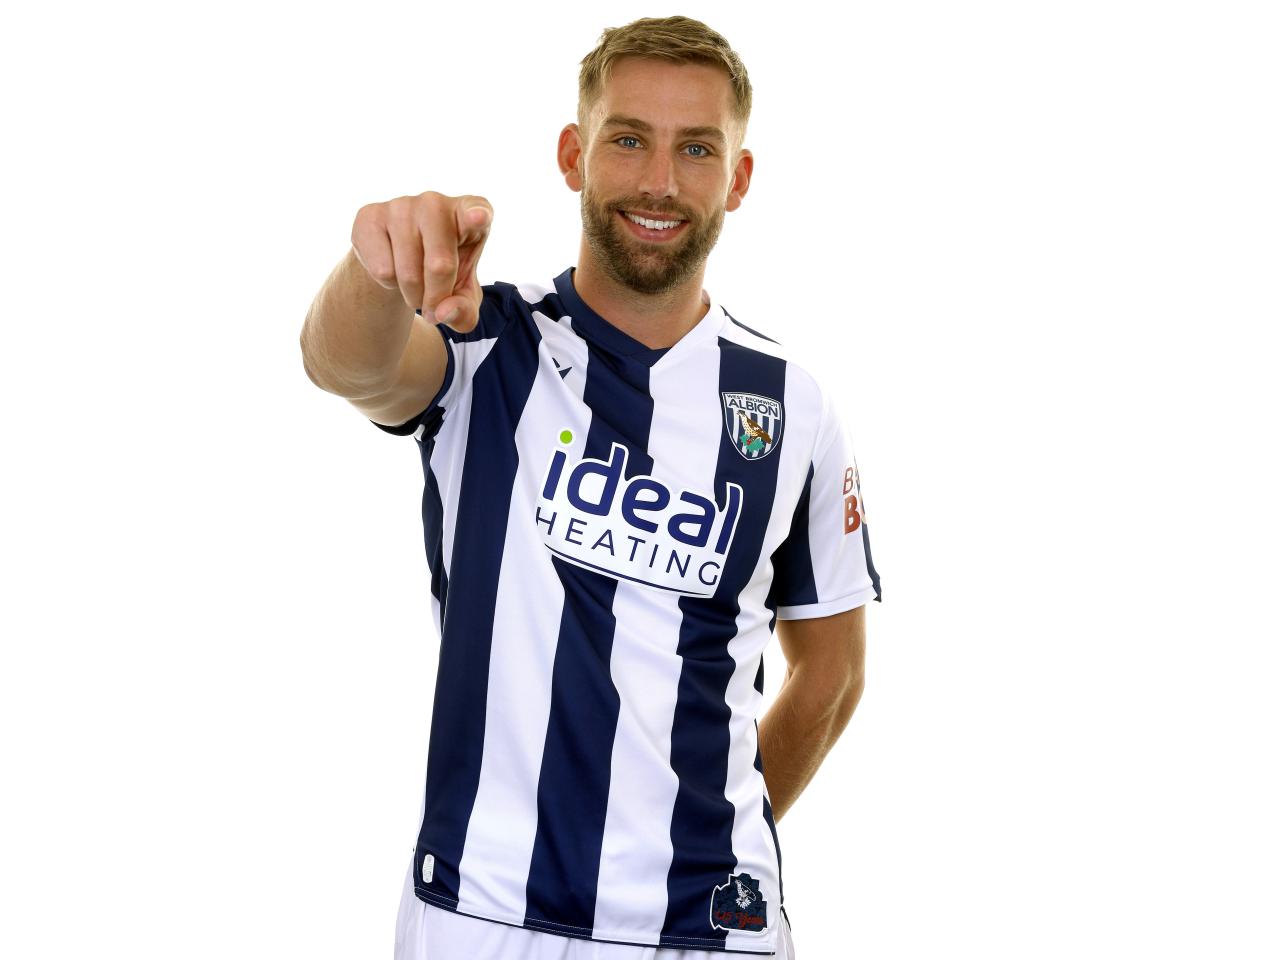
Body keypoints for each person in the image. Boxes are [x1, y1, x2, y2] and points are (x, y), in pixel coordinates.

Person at [299, 15, 881, 959]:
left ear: (737, 177)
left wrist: (710, 832)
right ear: (574, 155)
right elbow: (349, 366)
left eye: (696, 148)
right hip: (478, 915)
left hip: (706, 930)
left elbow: (836, 669)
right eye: (628, 139)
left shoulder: (793, 407)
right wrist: (376, 274)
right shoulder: (485, 346)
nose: (660, 181)